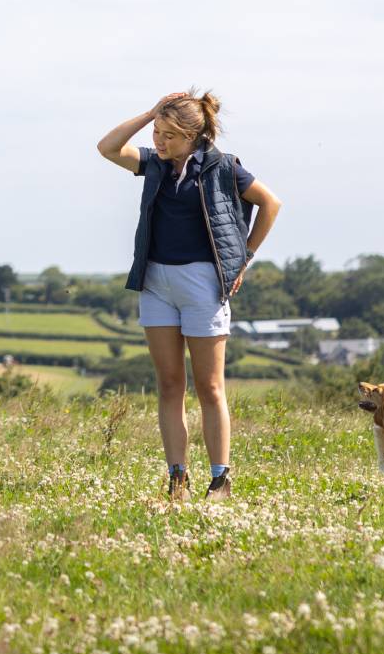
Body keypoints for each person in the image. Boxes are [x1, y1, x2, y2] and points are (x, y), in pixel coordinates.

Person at [96, 91, 282, 500]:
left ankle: (221, 478)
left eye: (168, 135)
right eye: (157, 133)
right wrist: (150, 113)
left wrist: (244, 258)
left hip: (204, 283)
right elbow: (107, 147)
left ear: (193, 136)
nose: (159, 142)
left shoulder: (224, 167)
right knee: (168, 385)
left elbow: (270, 203)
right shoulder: (154, 164)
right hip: (156, 281)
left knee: (209, 387)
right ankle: (177, 476)